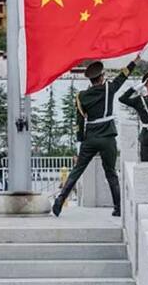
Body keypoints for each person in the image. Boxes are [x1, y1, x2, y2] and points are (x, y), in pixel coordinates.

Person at [52, 56, 139, 217]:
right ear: (102, 76)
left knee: (77, 171)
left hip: (90, 137)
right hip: (107, 137)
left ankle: (60, 200)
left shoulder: (82, 96)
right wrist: (134, 62)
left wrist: (80, 141)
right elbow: (123, 76)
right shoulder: (109, 89)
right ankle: (118, 207)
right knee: (111, 173)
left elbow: (79, 122)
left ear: (91, 80)